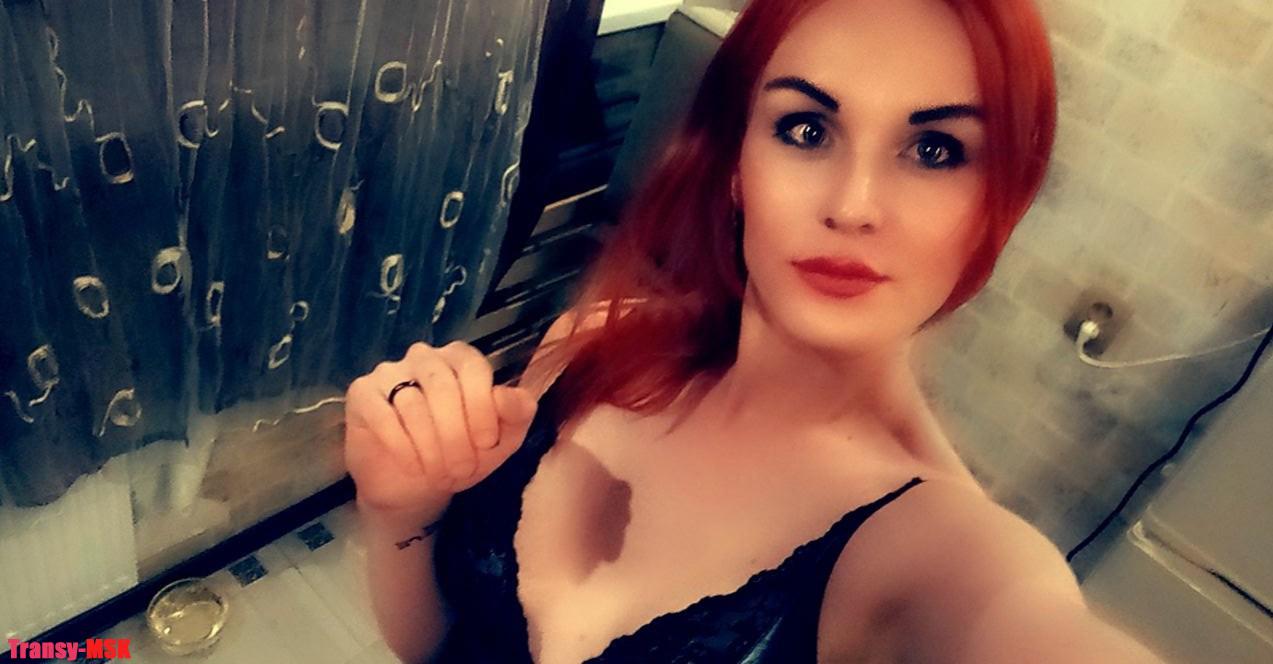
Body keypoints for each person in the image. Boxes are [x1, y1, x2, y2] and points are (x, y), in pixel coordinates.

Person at [343, 0, 1167, 661]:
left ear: (999, 200)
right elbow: (437, 645)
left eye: (934, 150)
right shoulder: (590, 343)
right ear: (738, 164)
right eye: (806, 130)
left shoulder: (944, 563)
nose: (852, 205)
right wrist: (401, 508)